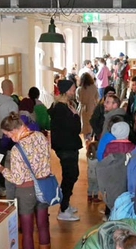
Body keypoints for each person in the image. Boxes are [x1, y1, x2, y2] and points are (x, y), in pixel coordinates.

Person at [0, 112, 52, 249]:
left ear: (13, 131)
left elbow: (17, 179)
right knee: (43, 226)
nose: (9, 138)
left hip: (26, 190)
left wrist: (2, 169)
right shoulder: (40, 136)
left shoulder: (17, 149)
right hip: (44, 187)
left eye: (8, 134)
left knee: (27, 230)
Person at [49, 79, 82, 222]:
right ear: (67, 90)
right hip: (66, 147)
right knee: (70, 176)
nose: (74, 91)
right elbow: (75, 128)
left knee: (71, 175)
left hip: (66, 146)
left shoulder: (61, 106)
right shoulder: (62, 109)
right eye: (73, 89)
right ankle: (63, 209)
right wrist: (76, 116)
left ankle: (65, 204)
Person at [0, 79, 18, 198]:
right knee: (8, 163)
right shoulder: (12, 104)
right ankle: (7, 187)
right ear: (11, 88)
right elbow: (15, 123)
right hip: (7, 137)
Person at [75, 72, 99, 140]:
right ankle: (91, 138)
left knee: (84, 125)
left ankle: (86, 141)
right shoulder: (94, 87)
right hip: (92, 107)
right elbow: (97, 97)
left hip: (83, 108)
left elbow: (78, 99)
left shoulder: (79, 89)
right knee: (91, 124)